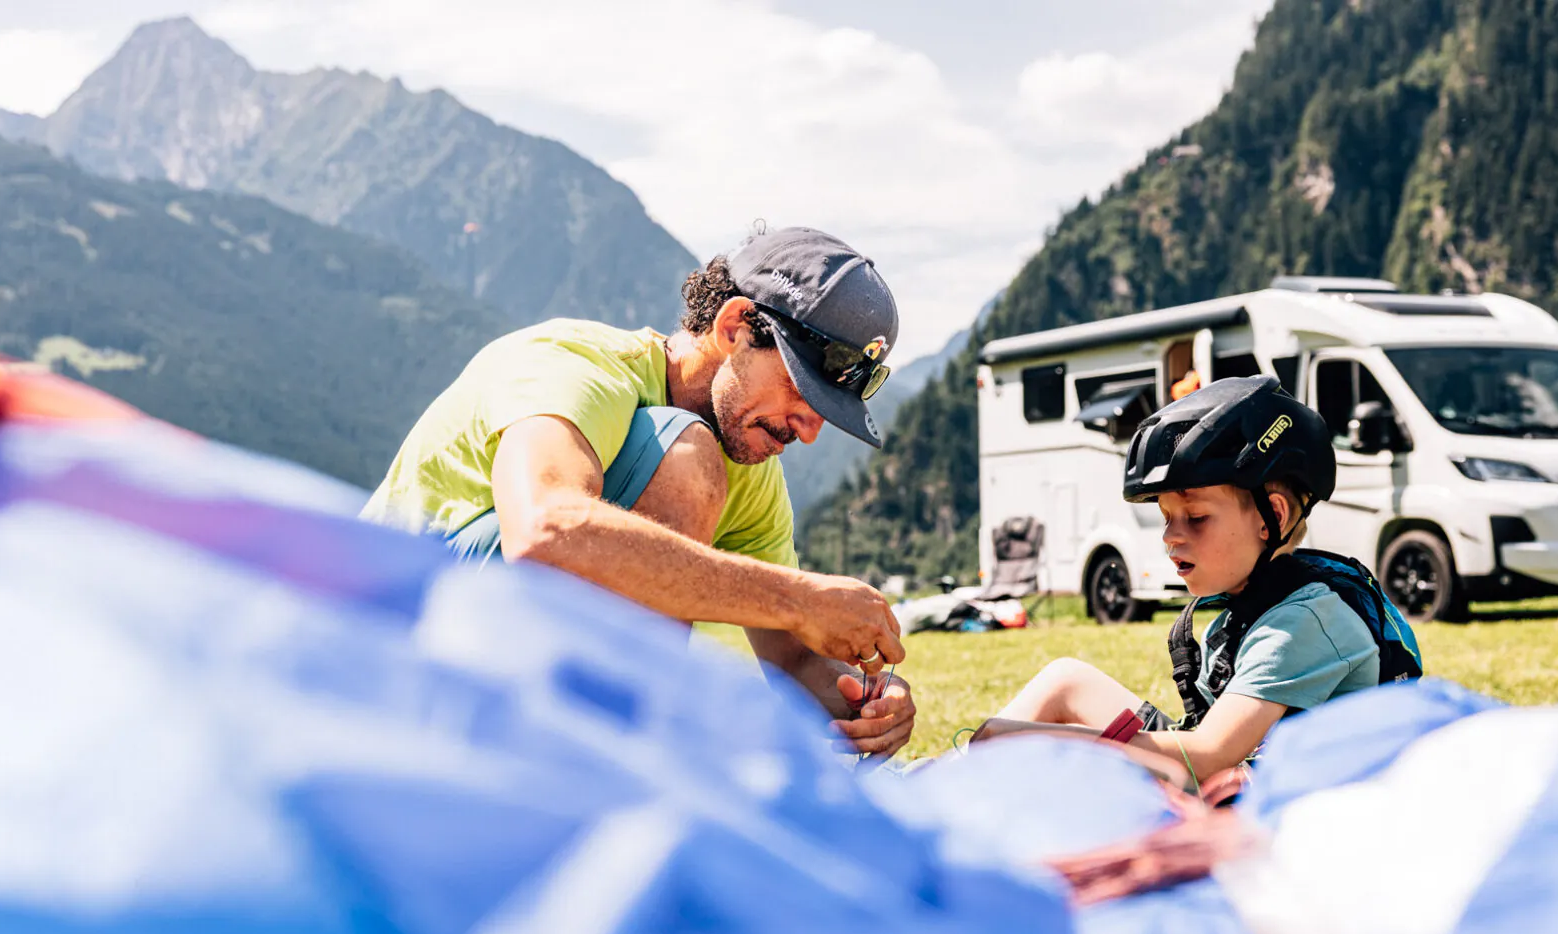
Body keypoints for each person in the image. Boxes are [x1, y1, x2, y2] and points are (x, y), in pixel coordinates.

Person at [362, 226, 917, 758]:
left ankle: (607, 762)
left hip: (476, 663)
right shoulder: (577, 364)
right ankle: (611, 764)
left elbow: (792, 655)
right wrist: (798, 598)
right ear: (734, 328)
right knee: (687, 452)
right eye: (801, 390)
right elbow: (544, 530)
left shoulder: (749, 458)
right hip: (376, 647)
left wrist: (862, 704)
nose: (809, 430)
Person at [972, 375, 1422, 788]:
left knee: (1037, 753)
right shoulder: (1249, 610)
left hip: (1281, 821)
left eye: (1197, 517)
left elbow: (1206, 757)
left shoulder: (1305, 622)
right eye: (1167, 517)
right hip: (1243, 787)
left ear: (1274, 517)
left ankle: (956, 800)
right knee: (1065, 680)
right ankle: (960, 788)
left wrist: (1039, 741)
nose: (1171, 536)